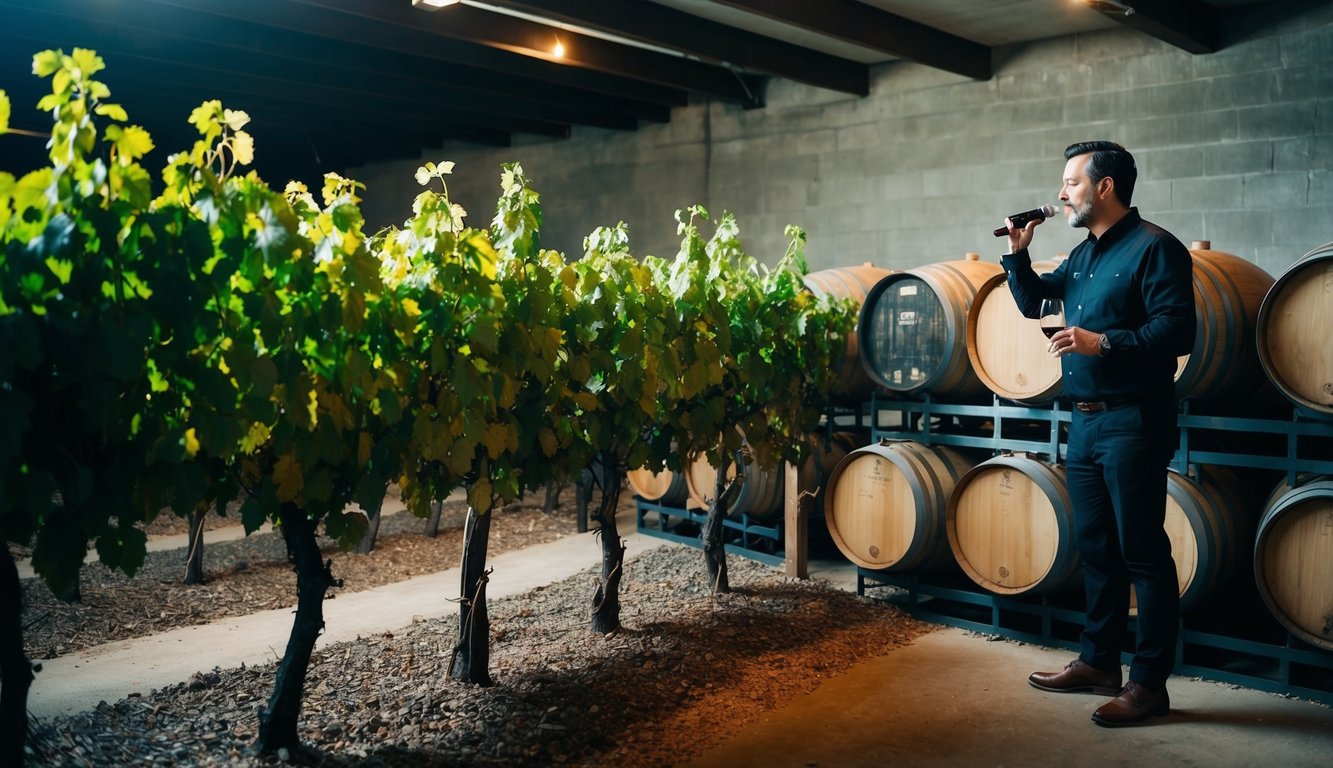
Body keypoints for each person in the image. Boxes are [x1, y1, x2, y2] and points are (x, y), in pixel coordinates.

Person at [1001, 141, 1196, 727]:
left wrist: (1100, 342)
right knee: (1097, 550)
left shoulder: (1157, 249)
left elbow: (1176, 332)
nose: (1061, 193)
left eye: (1071, 183)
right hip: (1084, 422)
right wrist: (1018, 254)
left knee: (1142, 553)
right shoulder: (1084, 256)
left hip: (1133, 420)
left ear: (1105, 187)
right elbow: (1036, 301)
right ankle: (1098, 662)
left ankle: (1149, 685)